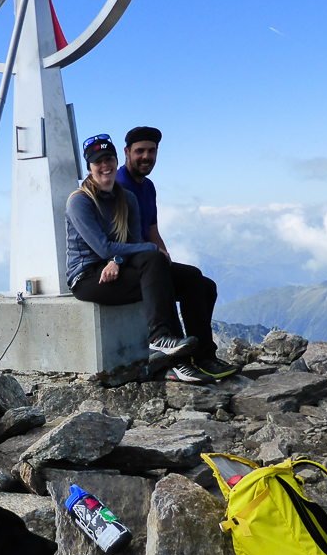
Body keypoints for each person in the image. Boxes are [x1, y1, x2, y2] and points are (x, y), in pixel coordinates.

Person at [65, 133, 225, 383]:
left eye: (108, 158)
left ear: (117, 159)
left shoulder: (126, 198)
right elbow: (104, 248)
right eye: (98, 161)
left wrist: (119, 261)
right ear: (89, 167)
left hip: (118, 267)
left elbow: (133, 243)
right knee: (155, 262)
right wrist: (132, 254)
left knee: (195, 279)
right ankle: (167, 349)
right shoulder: (80, 201)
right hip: (87, 277)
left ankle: (204, 357)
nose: (104, 165)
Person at [117, 126, 237, 380]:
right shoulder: (119, 186)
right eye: (140, 151)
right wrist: (156, 258)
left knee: (204, 285)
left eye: (151, 151)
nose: (146, 156)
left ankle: (204, 356)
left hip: (149, 260)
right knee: (180, 281)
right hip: (128, 266)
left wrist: (163, 252)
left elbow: (152, 230)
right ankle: (177, 360)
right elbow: (120, 236)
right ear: (127, 152)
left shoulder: (148, 187)